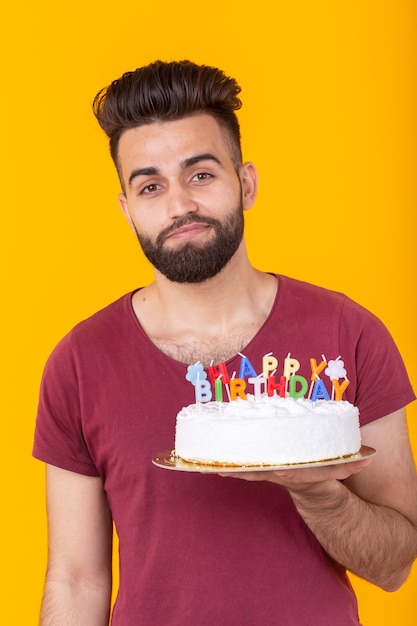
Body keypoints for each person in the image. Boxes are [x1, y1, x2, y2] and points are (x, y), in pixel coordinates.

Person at [33, 60, 417, 625]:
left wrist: (316, 491)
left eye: (201, 174)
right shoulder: (80, 362)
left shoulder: (349, 333)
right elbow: (75, 577)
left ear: (247, 183)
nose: (179, 206)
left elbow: (395, 565)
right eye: (150, 186)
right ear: (126, 209)